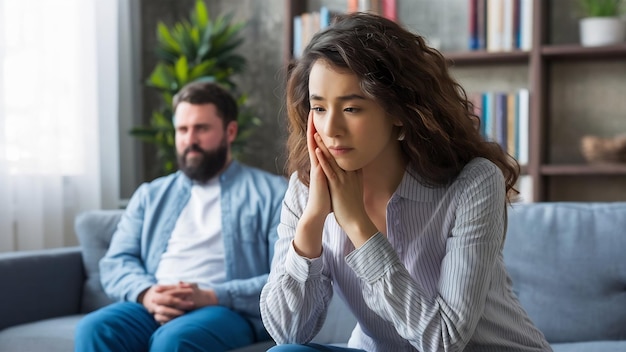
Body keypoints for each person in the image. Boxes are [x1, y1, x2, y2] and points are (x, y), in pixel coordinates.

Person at [260, 12, 552, 352]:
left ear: (399, 112)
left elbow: (443, 341)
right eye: (319, 108)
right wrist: (311, 223)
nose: (330, 129)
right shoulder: (306, 188)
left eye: (352, 108)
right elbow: (287, 332)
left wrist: (357, 224)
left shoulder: (472, 182)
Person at [75, 81, 287, 352]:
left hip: (224, 310)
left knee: (175, 340)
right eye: (182, 130)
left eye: (202, 128)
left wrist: (212, 295)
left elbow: (282, 277)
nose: (190, 140)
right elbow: (116, 261)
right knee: (94, 329)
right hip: (154, 303)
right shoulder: (150, 195)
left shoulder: (272, 193)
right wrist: (148, 294)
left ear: (230, 131)